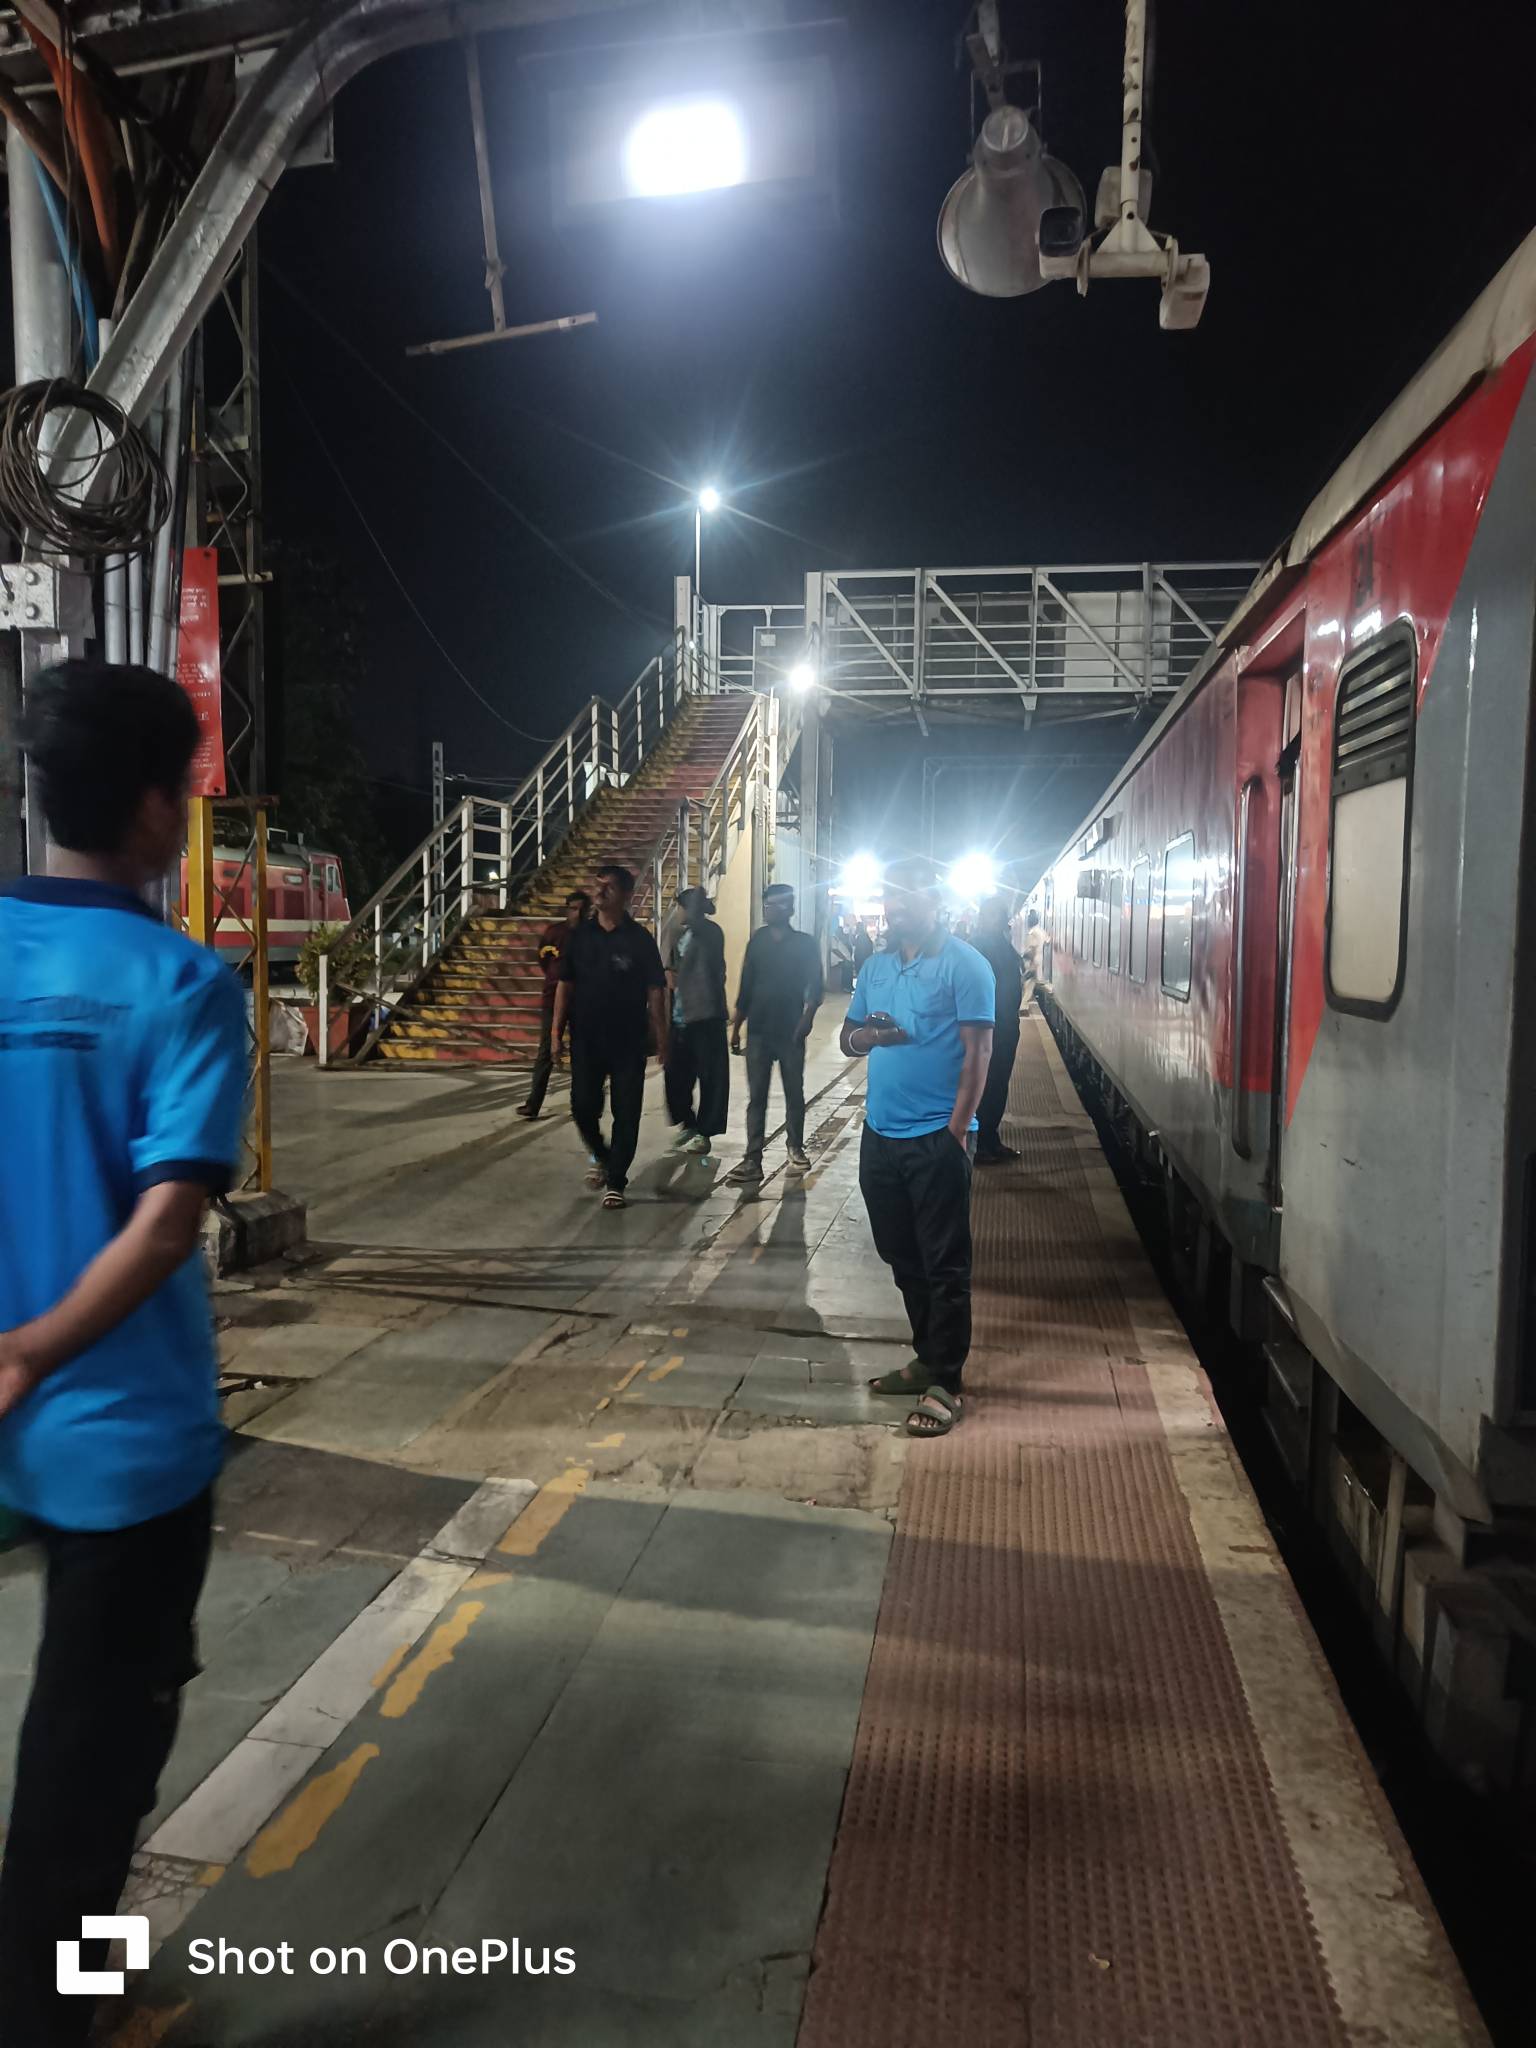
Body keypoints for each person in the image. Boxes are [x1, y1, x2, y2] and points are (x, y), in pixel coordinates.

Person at [0, 661, 247, 2048]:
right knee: (93, 1762)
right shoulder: (181, 982)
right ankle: (61, 2013)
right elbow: (164, 1226)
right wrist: (30, 1349)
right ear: (157, 808)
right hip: (121, 1438)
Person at [841, 857, 993, 1439]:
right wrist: (870, 1035)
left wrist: (957, 1130)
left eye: (909, 894)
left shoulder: (966, 965)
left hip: (936, 1136)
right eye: (891, 894)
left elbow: (979, 1052)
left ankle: (947, 1381)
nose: (897, 904)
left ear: (937, 901)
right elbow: (848, 1038)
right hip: (880, 1135)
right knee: (899, 1253)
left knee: (944, 1263)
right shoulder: (875, 966)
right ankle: (928, 1357)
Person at [553, 863, 667, 1210]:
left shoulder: (639, 940)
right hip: (587, 1039)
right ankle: (603, 1156)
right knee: (582, 1106)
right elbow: (564, 985)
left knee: (627, 1111)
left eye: (609, 887)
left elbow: (655, 990)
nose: (599, 892)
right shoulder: (580, 937)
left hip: (628, 1041)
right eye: (597, 884)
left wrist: (662, 1037)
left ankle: (616, 1180)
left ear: (627, 895)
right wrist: (555, 1032)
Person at [724, 883, 824, 1187]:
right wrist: (737, 1027)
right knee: (757, 1097)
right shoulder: (758, 941)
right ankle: (752, 1159)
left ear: (790, 908)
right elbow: (746, 985)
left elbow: (815, 985)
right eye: (767, 905)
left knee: (794, 1091)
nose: (770, 910)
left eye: (777, 904)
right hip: (759, 1032)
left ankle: (795, 1147)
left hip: (791, 1032)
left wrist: (807, 1019)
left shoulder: (805, 944)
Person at [664, 885, 729, 1159]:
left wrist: (696, 907)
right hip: (681, 1016)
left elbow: (712, 967)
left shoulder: (710, 933)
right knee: (675, 1076)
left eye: (680, 907)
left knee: (711, 1078)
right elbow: (671, 967)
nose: (676, 912)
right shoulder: (681, 934)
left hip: (706, 1015)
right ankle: (688, 1122)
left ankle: (705, 1132)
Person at [517, 889, 590, 1118]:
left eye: (582, 909)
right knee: (546, 1051)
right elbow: (543, 959)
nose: (577, 914)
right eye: (573, 909)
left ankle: (581, 1104)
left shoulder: (593, 935)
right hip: (552, 999)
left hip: (583, 1001)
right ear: (567, 910)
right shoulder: (554, 933)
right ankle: (533, 1104)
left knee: (582, 1052)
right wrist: (554, 979)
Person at [970, 894, 1024, 1165]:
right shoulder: (975, 948)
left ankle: (991, 1139)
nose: (1000, 919)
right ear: (984, 917)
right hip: (986, 1029)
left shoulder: (1002, 944)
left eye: (1002, 915)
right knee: (984, 1086)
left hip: (1005, 1027)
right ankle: (979, 1145)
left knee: (997, 1086)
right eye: (995, 915)